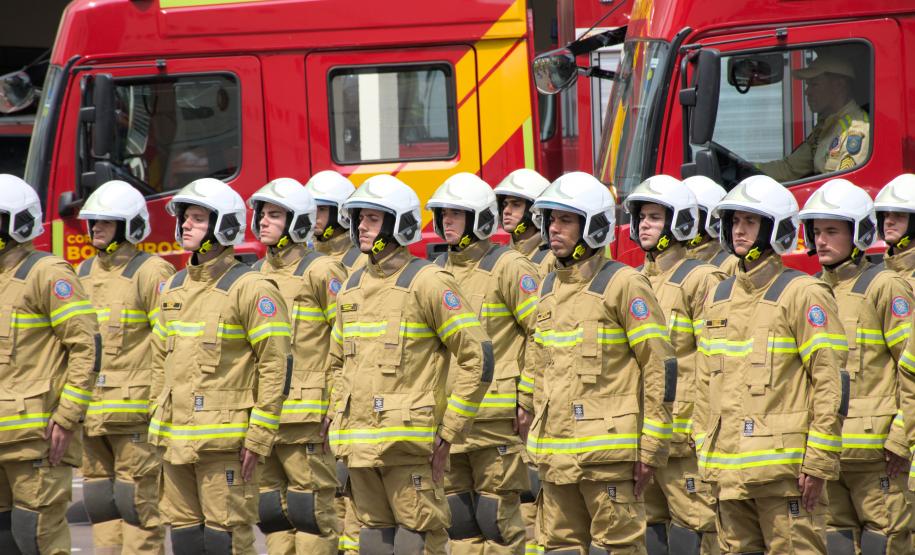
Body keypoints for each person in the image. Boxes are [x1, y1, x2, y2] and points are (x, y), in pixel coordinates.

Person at [326, 174, 493, 554]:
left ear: (397, 224)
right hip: (359, 447)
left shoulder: (429, 282)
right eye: (359, 218)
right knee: (373, 540)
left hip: (410, 447)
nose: (361, 228)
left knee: (417, 542)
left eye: (372, 219)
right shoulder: (350, 288)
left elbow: (477, 356)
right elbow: (336, 364)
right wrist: (339, 418)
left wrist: (449, 431)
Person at [520, 171, 676, 553]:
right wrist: (526, 413)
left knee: (618, 548)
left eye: (565, 220)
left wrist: (652, 446)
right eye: (551, 219)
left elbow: (660, 367)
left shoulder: (623, 284)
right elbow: (537, 362)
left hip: (608, 459)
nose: (553, 229)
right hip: (556, 457)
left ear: (594, 226)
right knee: (558, 548)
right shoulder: (547, 287)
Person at [693, 174, 848, 554]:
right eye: (734, 222)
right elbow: (704, 384)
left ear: (773, 228)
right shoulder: (718, 295)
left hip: (785, 476)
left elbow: (831, 383)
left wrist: (818, 462)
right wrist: (702, 447)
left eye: (750, 221)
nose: (739, 230)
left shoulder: (803, 293)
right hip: (727, 471)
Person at [149, 178, 292, 555]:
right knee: (186, 541)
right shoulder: (174, 288)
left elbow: (275, 366)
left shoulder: (251, 287)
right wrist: (156, 417)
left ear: (224, 225)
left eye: (197, 218)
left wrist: (260, 434)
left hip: (226, 443)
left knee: (224, 541)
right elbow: (158, 361)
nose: (186, 225)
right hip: (175, 439)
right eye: (185, 217)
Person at [798, 178, 913, 554]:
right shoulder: (811, 290)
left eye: (832, 231)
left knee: (888, 542)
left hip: (879, 456)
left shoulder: (884, 286)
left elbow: (909, 368)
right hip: (831, 456)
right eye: (816, 232)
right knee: (835, 544)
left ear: (859, 232)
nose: (822, 241)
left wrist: (901, 436)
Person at [427, 173, 539, 554]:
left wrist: (527, 397)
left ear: (479, 219)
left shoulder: (510, 266)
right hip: (451, 422)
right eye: (444, 213)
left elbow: (543, 335)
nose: (448, 221)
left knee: (498, 525)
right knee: (458, 526)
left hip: (496, 423)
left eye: (457, 213)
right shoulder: (437, 272)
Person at [624, 175, 726, 555]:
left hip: (684, 440)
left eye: (655, 217)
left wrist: (705, 432)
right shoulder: (632, 279)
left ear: (680, 222)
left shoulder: (701, 280)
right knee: (648, 535)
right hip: (642, 435)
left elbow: (715, 365)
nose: (644, 225)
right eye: (642, 217)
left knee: (696, 534)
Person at [0, 174, 100, 555]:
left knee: (36, 538)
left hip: (37, 440)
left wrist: (67, 416)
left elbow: (86, 347)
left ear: (17, 223)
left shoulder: (48, 274)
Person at [248, 178, 346, 554]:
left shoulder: (321, 272)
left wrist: (335, 406)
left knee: (312, 515)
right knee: (271, 514)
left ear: (298, 222)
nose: (264, 221)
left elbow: (347, 343)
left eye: (275, 215)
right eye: (262, 214)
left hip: (308, 415)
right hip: (266, 414)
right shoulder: (255, 274)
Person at [76, 180, 174, 554]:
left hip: (135, 415)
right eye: (93, 221)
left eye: (106, 221)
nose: (96, 227)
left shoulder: (152, 272)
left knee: (138, 509)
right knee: (101, 507)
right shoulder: (82, 274)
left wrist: (160, 406)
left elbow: (169, 343)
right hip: (92, 414)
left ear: (130, 225)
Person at [303, 169, 364, 555]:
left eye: (318, 212)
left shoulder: (358, 261)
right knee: (328, 500)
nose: (310, 220)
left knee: (352, 500)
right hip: (318, 398)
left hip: (344, 396)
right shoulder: (311, 261)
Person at [756, 51, 869, 182]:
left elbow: (841, 191)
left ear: (839, 85)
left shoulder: (857, 131)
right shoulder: (826, 126)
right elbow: (789, 169)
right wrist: (747, 170)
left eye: (814, 84)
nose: (806, 92)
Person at [493, 169, 555, 277]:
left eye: (516, 205)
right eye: (504, 204)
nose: (506, 211)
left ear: (536, 211)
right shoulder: (498, 256)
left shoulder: (552, 259)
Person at [305, 170, 364, 274]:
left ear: (343, 213)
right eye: (312, 208)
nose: (314, 215)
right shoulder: (302, 253)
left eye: (322, 209)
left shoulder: (362, 261)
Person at [681, 176, 739, 274]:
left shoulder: (732, 264)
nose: (683, 222)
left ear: (712, 220)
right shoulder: (670, 258)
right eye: (683, 215)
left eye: (693, 214)